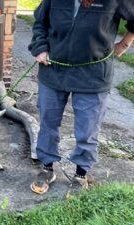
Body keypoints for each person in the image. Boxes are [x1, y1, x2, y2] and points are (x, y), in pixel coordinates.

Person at [28, 0, 134, 194]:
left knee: (87, 129)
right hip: (53, 70)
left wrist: (124, 44)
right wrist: (40, 48)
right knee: (48, 123)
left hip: (93, 75)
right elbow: (40, 22)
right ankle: (47, 168)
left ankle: (81, 174)